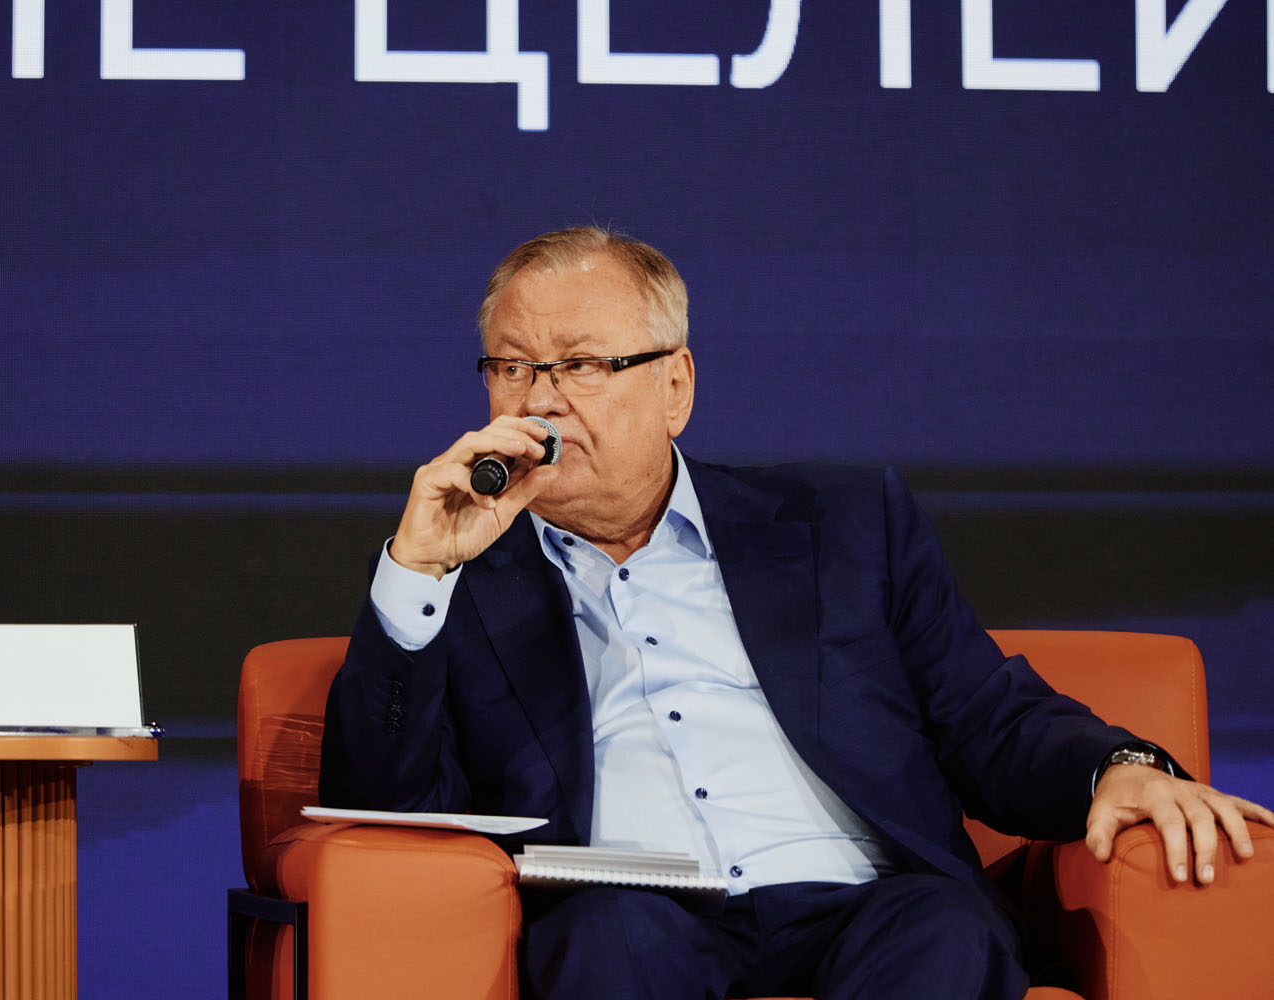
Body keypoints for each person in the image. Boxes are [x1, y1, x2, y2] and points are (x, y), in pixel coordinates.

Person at [318, 226, 1273, 999]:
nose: (542, 403)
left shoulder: (842, 523)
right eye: (513, 368)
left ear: (675, 387)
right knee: (608, 944)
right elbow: (388, 811)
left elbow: (986, 715)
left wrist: (1116, 767)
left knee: (946, 932)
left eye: (582, 365)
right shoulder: (457, 577)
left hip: (866, 900)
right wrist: (417, 572)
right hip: (633, 910)